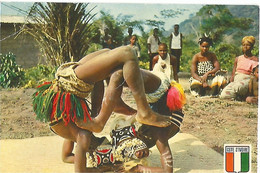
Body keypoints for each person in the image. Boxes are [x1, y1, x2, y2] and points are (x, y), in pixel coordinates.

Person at [32, 46, 173, 172]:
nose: (103, 142)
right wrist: (104, 165)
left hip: (65, 87)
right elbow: (66, 157)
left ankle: (104, 116)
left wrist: (97, 167)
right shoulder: (77, 133)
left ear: (91, 148)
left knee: (127, 53)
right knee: (110, 58)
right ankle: (122, 107)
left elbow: (70, 161)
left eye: (101, 143)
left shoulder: (82, 136)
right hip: (61, 91)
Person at [64, 67, 186, 172]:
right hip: (167, 100)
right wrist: (137, 168)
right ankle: (113, 105)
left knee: (113, 72)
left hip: (159, 101)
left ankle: (106, 108)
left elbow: (66, 157)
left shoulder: (153, 131)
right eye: (130, 154)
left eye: (129, 149)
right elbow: (167, 170)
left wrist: (78, 134)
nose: (136, 153)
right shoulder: (158, 134)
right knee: (118, 73)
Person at [220, 36, 258, 100]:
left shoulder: (255, 60)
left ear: (252, 47)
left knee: (238, 87)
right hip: (236, 80)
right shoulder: (238, 58)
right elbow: (234, 72)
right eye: (243, 45)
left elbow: (256, 74)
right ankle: (239, 97)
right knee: (223, 95)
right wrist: (232, 79)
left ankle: (242, 96)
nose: (245, 47)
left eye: (248, 45)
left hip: (247, 80)